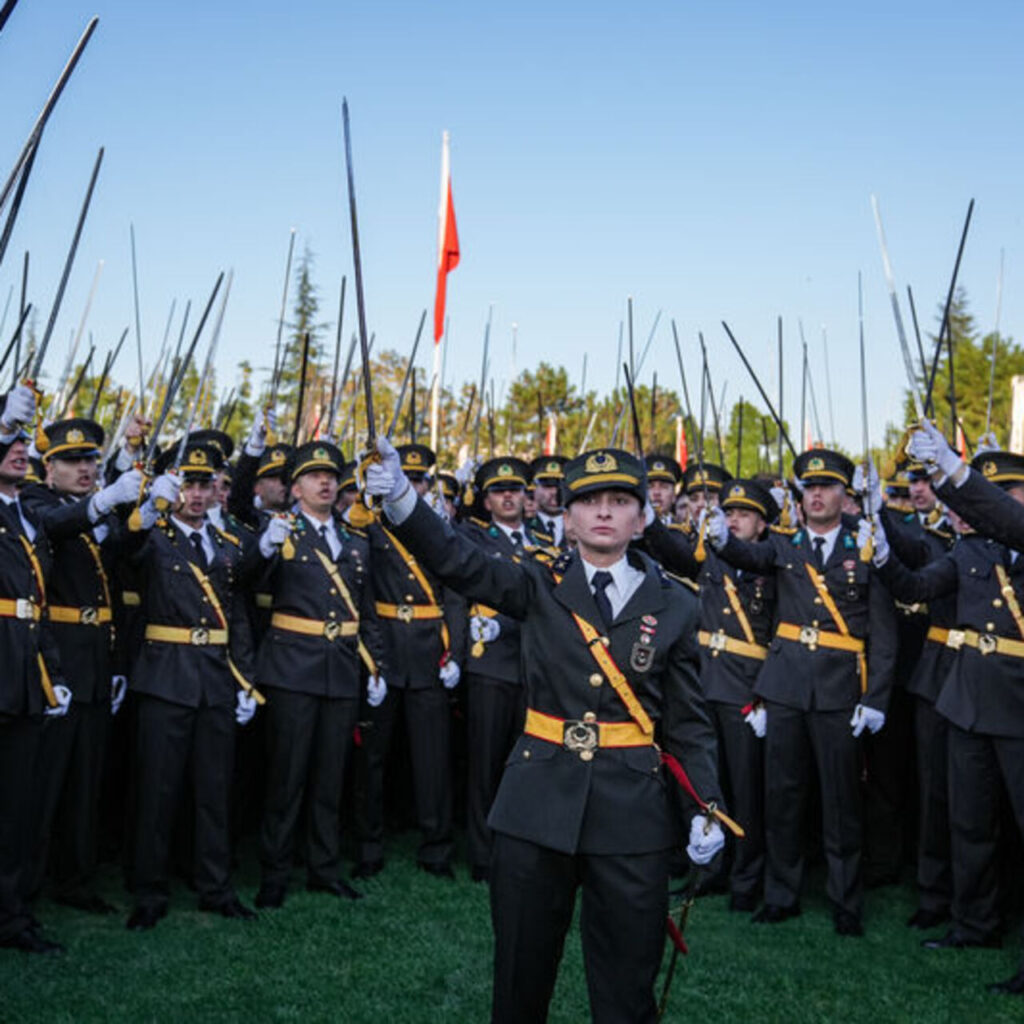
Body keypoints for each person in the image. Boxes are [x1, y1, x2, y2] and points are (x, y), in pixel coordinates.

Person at [365, 439, 727, 1024]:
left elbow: (688, 723)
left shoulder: (677, 605)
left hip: (632, 814)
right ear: (567, 517)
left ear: (642, 519)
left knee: (627, 989)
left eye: (619, 500)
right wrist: (405, 500)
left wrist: (704, 806)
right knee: (519, 982)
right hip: (535, 807)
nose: (603, 511)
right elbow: (459, 559)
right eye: (588, 500)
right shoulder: (535, 581)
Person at [705, 448, 897, 936]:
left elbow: (883, 633)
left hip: (838, 691)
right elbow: (747, 554)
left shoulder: (866, 547)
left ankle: (845, 901)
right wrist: (722, 537)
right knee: (782, 798)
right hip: (785, 687)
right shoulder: (785, 546)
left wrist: (875, 699)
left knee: (840, 803)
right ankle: (780, 894)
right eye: (808, 487)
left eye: (827, 486)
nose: (816, 495)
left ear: (843, 495)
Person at [870, 451, 1024, 958]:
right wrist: (884, 559)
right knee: (969, 820)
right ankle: (974, 922)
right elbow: (918, 586)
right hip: (968, 699)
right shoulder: (970, 551)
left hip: (1018, 702)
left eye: (1005, 495)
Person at [123, 438, 259, 930]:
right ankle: (150, 892)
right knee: (158, 791)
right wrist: (146, 503)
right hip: (166, 675)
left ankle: (215, 888)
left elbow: (238, 616)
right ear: (173, 487)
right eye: (188, 484)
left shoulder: (226, 545)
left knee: (214, 790)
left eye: (205, 484)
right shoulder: (154, 535)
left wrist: (245, 678)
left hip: (215, 679)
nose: (197, 494)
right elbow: (123, 547)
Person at [248, 441, 386, 906]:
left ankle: (324, 868)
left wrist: (376, 664)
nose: (325, 482)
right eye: (314, 476)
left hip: (342, 669)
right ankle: (275, 872)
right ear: (296, 487)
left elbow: (366, 611)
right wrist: (263, 549)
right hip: (292, 667)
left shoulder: (354, 539)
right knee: (287, 777)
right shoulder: (279, 532)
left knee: (331, 777)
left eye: (331, 475)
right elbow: (245, 584)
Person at [644, 478, 779, 911]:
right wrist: (649, 521)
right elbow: (675, 555)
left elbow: (782, 634)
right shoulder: (711, 555)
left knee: (745, 790)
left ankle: (746, 879)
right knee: (704, 787)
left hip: (745, 687)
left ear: (762, 524)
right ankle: (708, 871)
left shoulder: (774, 563)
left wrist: (766, 693)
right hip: (704, 681)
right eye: (730, 512)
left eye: (743, 514)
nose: (734, 519)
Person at [20, 419, 134, 915]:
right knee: (44, 785)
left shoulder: (94, 513)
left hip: (95, 657)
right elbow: (58, 527)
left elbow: (120, 572)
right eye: (72, 461)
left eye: (90, 460)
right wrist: (104, 503)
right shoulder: (35, 503)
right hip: (57, 657)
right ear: (49, 469)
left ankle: (75, 878)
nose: (84, 468)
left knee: (85, 782)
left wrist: (137, 510)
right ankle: (25, 886)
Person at [352, 443, 461, 879]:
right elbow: (358, 592)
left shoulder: (433, 528)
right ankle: (367, 846)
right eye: (406, 479)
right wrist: (371, 658)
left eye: (418, 481)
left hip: (429, 653)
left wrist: (453, 654)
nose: (411, 486)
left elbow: (455, 591)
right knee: (372, 759)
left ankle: (436, 848)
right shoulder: (369, 526)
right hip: (384, 650)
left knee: (433, 760)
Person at [0, 387, 69, 954]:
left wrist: (54, 670)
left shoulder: (29, 513)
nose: (21, 448)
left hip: (25, 671)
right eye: (11, 440)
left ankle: (11, 914)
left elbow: (37, 600)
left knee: (16, 805)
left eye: (24, 440)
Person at [459, 457, 547, 882]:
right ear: (486, 500)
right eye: (498, 490)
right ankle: (482, 852)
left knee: (526, 765)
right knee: (485, 764)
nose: (509, 496)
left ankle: (518, 846)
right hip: (490, 663)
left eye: (515, 488)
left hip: (531, 664)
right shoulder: (474, 537)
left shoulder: (544, 538)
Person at [527, 455, 567, 547]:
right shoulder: (522, 526)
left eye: (559, 486)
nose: (554, 492)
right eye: (547, 486)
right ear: (534, 489)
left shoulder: (579, 526)